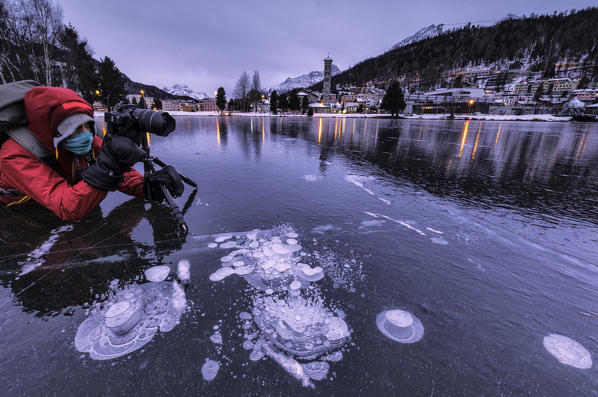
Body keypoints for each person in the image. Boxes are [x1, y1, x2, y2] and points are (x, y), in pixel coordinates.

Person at [0, 86, 183, 220]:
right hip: (22, 217)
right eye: (74, 128)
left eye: (87, 126)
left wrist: (147, 188)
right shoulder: (15, 154)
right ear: (52, 130)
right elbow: (67, 207)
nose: (85, 135)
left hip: (69, 198)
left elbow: (121, 175)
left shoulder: (86, 139)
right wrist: (109, 165)